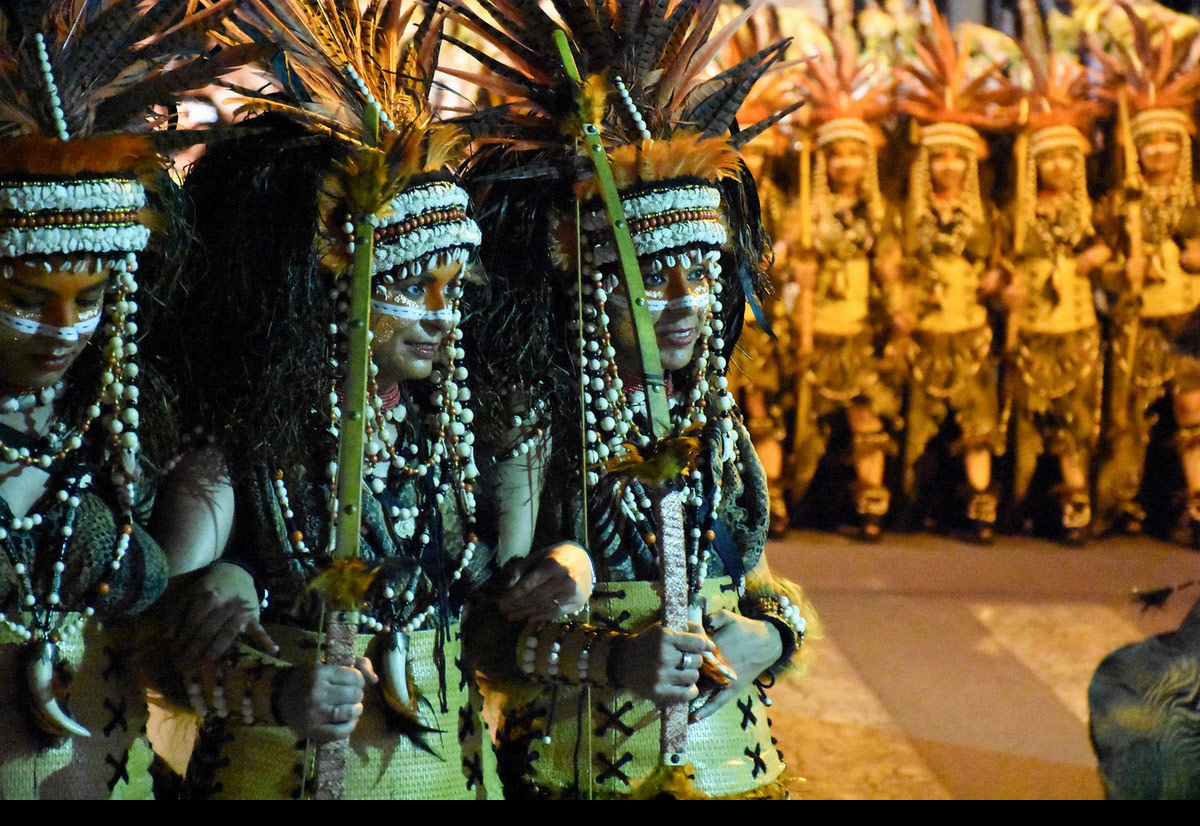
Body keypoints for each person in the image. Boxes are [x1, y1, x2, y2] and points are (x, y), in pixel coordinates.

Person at [156, 0, 591, 799]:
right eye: (412, 288)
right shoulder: (236, 449)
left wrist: (571, 568)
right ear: (331, 284)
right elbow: (159, 648)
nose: (442, 316)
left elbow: (493, 629)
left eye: (453, 289)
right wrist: (272, 688)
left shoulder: (462, 437)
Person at [454, 0, 814, 799]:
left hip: (733, 763)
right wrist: (609, 654)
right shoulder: (535, 422)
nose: (685, 301)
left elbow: (753, 579)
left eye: (701, 272)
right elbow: (481, 632)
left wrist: (771, 637)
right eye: (652, 277)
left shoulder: (711, 415)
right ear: (589, 282)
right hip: (579, 765)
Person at [0, 0, 259, 799]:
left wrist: (231, 586)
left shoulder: (127, 429)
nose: (62, 329)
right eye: (27, 299)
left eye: (89, 299)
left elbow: (175, 644)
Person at [894, 4, 1016, 541]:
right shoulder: (909, 214)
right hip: (923, 330)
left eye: (956, 158)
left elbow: (1003, 264)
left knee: (977, 420)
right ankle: (911, 502)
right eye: (938, 157)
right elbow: (894, 262)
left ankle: (980, 504)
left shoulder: (987, 215)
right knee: (917, 423)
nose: (948, 165)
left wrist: (999, 282)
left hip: (969, 331)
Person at [783, 15, 905, 540]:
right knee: (798, 422)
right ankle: (787, 499)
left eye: (856, 154)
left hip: (858, 333)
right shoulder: (805, 212)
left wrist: (898, 317)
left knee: (866, 417)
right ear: (825, 161)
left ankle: (872, 503)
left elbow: (891, 273)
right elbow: (780, 258)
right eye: (838, 155)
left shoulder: (879, 215)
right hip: (813, 330)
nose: (847, 163)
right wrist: (790, 262)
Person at [998, 14, 1111, 544]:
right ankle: (1020, 498)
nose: (1060, 167)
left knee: (1073, 418)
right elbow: (999, 263)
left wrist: (1104, 260)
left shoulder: (1092, 213)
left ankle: (1076, 494)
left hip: (1076, 329)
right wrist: (1002, 287)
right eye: (1050, 159)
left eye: (1069, 158)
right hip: (1030, 330)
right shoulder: (1016, 215)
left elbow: (1117, 259)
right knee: (1024, 419)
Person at [1089, 3, 1200, 541]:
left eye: (1167, 142)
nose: (1158, 151)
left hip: (1189, 324)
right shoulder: (1119, 203)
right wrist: (1118, 268)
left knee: (1191, 410)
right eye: (1148, 142)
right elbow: (1097, 265)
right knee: (1129, 417)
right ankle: (1123, 501)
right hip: (1137, 326)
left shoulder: (1196, 199)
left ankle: (1196, 500)